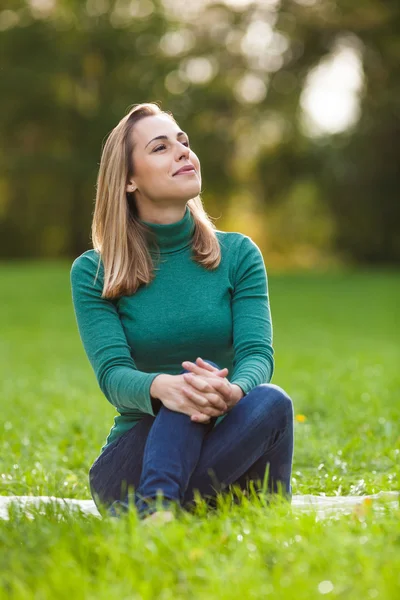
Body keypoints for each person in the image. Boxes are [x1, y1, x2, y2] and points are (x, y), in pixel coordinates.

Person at [70, 102, 294, 523]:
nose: (182, 152)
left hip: (230, 447)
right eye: (160, 147)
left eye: (183, 142)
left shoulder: (238, 255)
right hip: (133, 464)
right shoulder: (93, 271)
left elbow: (257, 356)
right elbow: (113, 375)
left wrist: (236, 391)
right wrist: (162, 387)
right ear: (129, 180)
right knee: (190, 383)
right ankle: (158, 506)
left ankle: (157, 515)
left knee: (273, 402)